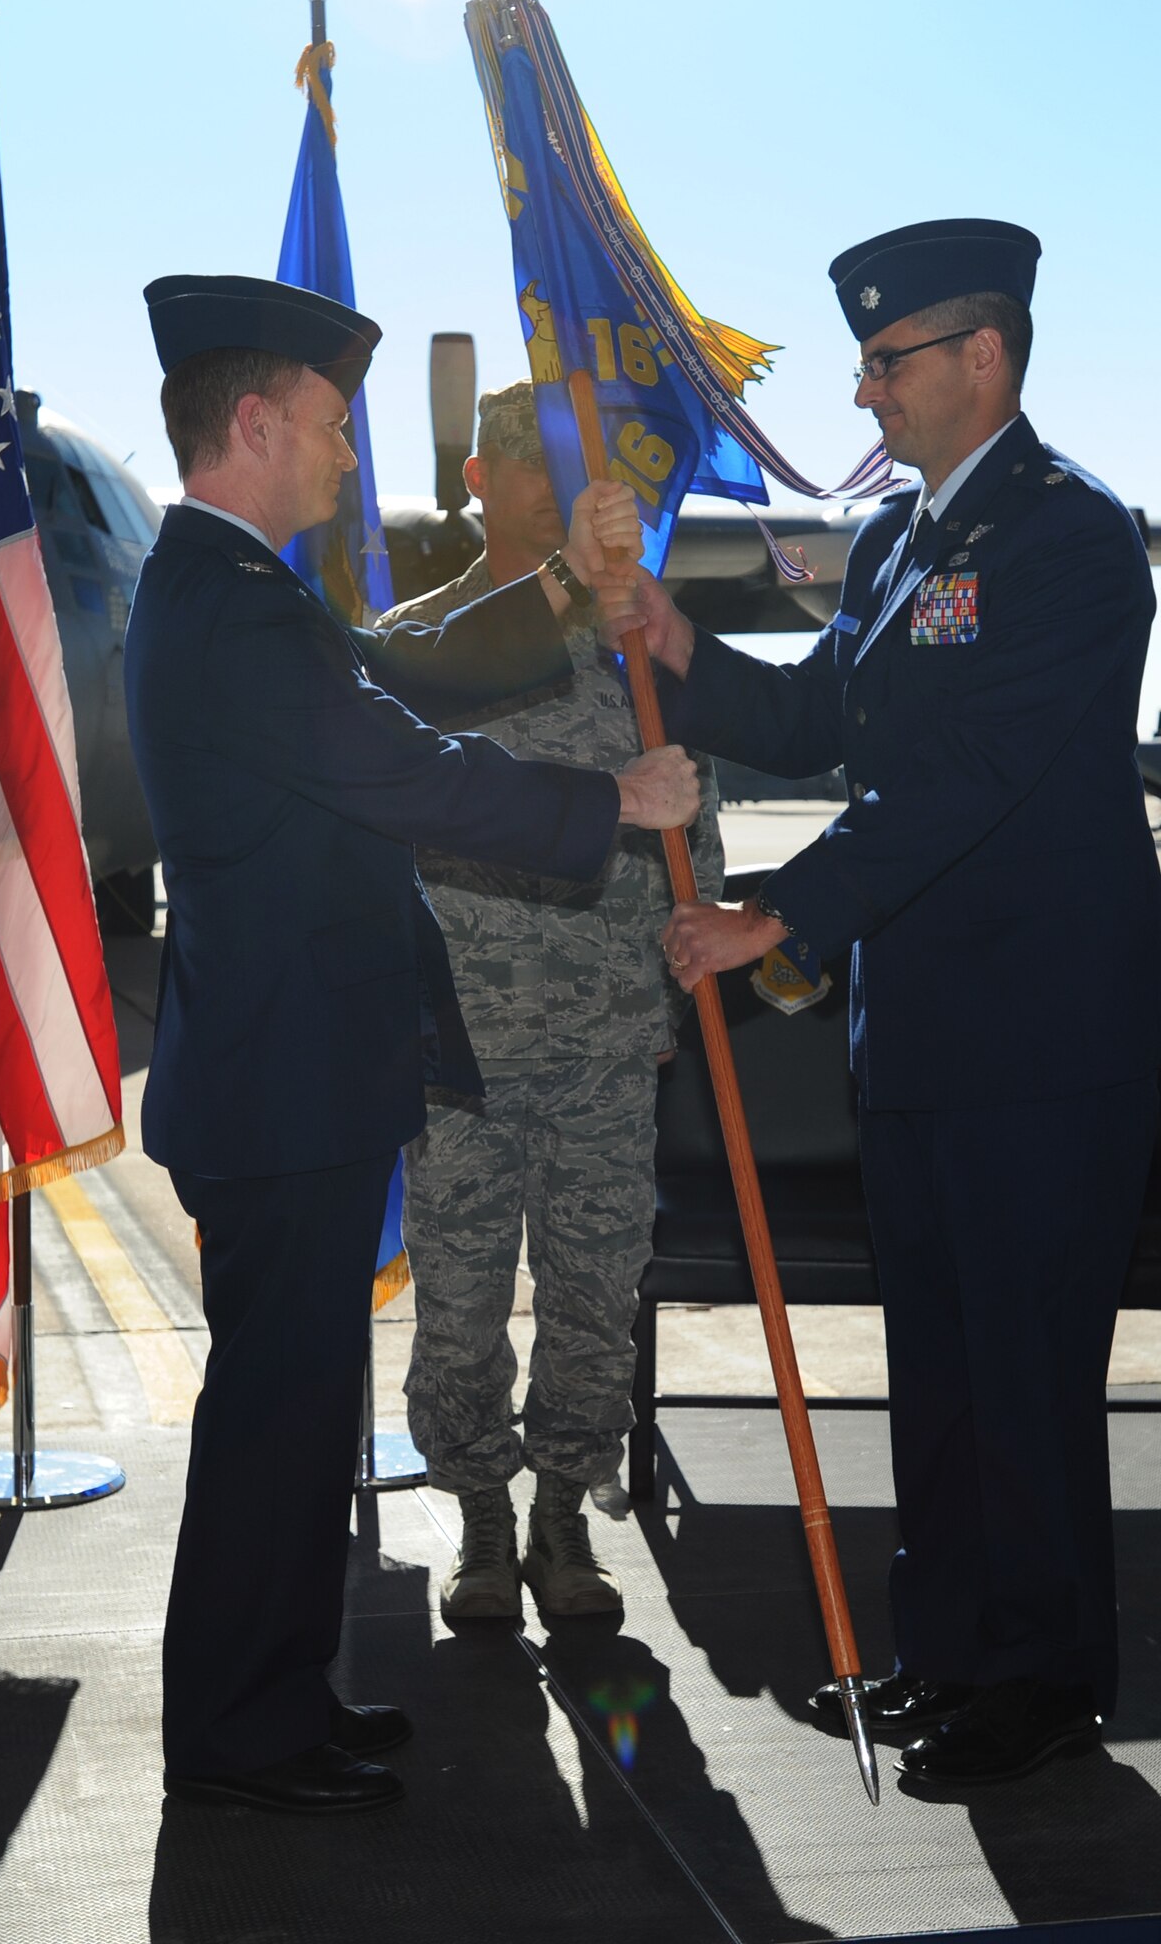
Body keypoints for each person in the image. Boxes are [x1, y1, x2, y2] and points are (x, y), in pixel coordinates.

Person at [123, 274, 700, 1816]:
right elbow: (399, 763)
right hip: (284, 1083)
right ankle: (244, 1734)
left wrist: (571, 587)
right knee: (275, 1423)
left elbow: (405, 675)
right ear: (252, 422)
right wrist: (607, 807)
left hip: (286, 1072)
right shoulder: (230, 605)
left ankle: (277, 1700)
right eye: (322, 426)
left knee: (298, 1417)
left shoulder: (230, 591)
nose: (340, 458)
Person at [600, 220, 1161, 1786]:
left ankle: (1042, 1678)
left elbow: (964, 781)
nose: (862, 392)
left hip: (1043, 1049)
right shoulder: (901, 540)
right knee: (933, 1371)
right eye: (862, 359)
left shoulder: (1068, 540)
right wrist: (676, 641)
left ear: (982, 358)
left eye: (885, 359)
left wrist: (774, 913)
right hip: (915, 1038)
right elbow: (811, 716)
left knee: (1024, 1376)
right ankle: (949, 1651)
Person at [375, 381, 725, 1619]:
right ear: (476, 478)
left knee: (593, 1292)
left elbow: (693, 805)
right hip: (460, 1048)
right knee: (460, 1305)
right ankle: (479, 1519)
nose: (548, 482)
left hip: (603, 1041)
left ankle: (563, 1520)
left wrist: (689, 963)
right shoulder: (417, 647)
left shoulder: (634, 643)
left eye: (568, 460)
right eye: (522, 457)